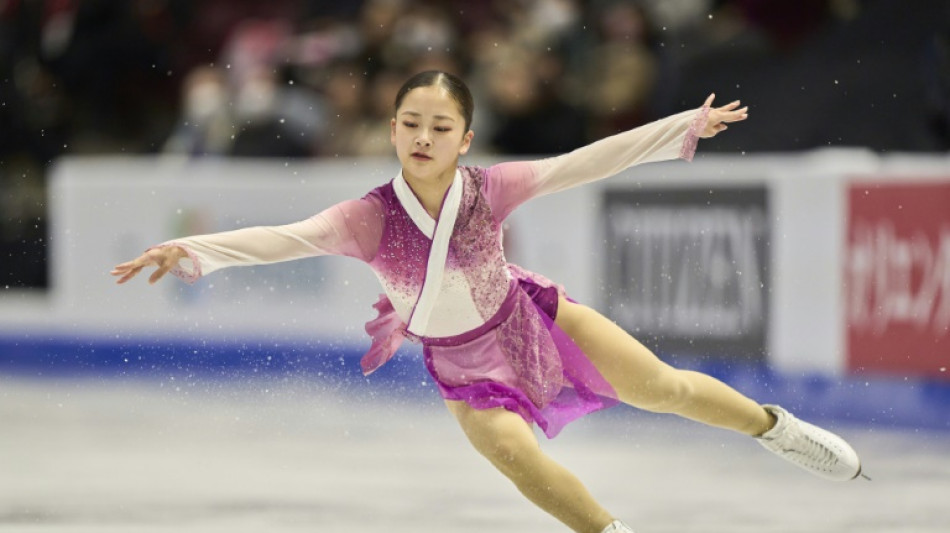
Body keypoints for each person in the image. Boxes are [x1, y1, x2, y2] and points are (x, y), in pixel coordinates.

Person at [111, 70, 864, 533]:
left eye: (440, 126)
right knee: (511, 453)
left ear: (464, 136)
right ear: (394, 129)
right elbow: (288, 237)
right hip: (463, 362)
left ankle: (775, 427)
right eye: (410, 123)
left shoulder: (489, 188)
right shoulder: (369, 215)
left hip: (532, 315)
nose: (422, 136)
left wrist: (680, 128)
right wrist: (196, 251)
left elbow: (581, 163)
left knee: (659, 386)